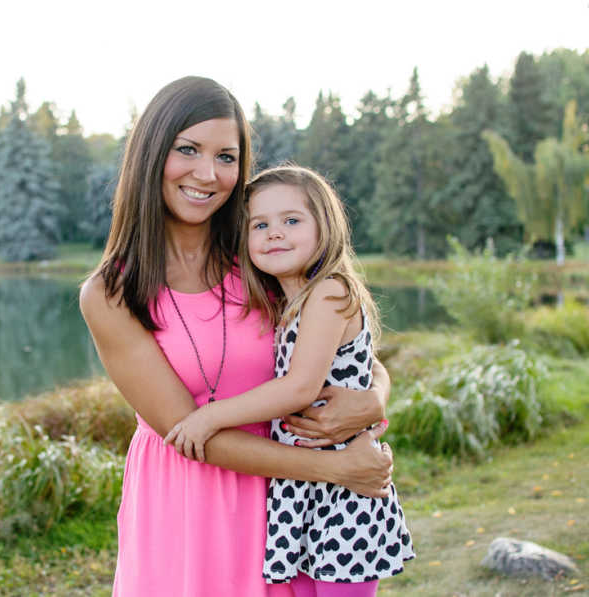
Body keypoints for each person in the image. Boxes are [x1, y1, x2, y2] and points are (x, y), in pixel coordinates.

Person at [79, 76, 394, 597]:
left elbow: (354, 354)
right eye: (188, 150)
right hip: (185, 503)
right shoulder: (112, 292)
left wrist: (374, 399)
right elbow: (188, 433)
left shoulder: (262, 258)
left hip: (285, 504)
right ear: (151, 153)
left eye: (226, 157)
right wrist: (336, 469)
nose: (208, 174)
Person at [164, 165, 414, 596]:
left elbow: (300, 388)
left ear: (326, 226)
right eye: (260, 225)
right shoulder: (287, 301)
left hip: (344, 497)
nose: (274, 233)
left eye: (291, 221)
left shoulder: (330, 293)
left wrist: (210, 417)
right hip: (301, 492)